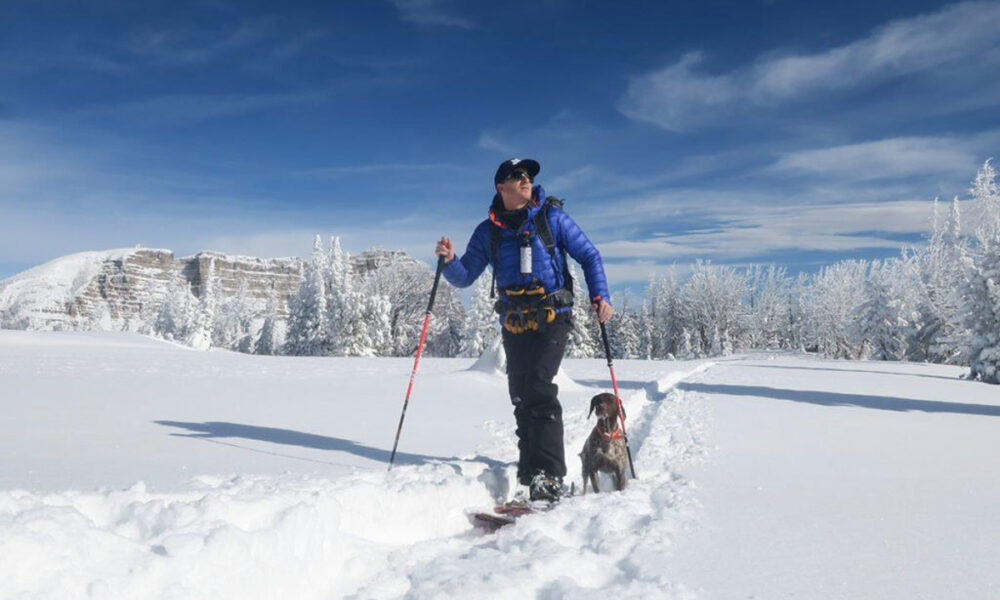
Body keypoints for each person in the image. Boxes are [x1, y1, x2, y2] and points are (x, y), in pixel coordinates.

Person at [435, 158, 613, 501]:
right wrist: (448, 262)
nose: (526, 179)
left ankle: (549, 476)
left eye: (528, 175)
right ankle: (532, 473)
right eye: (518, 176)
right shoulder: (488, 231)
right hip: (514, 320)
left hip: (552, 316)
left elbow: (590, 255)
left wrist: (599, 295)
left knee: (538, 386)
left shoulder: (552, 218)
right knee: (520, 393)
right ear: (501, 187)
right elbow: (466, 275)